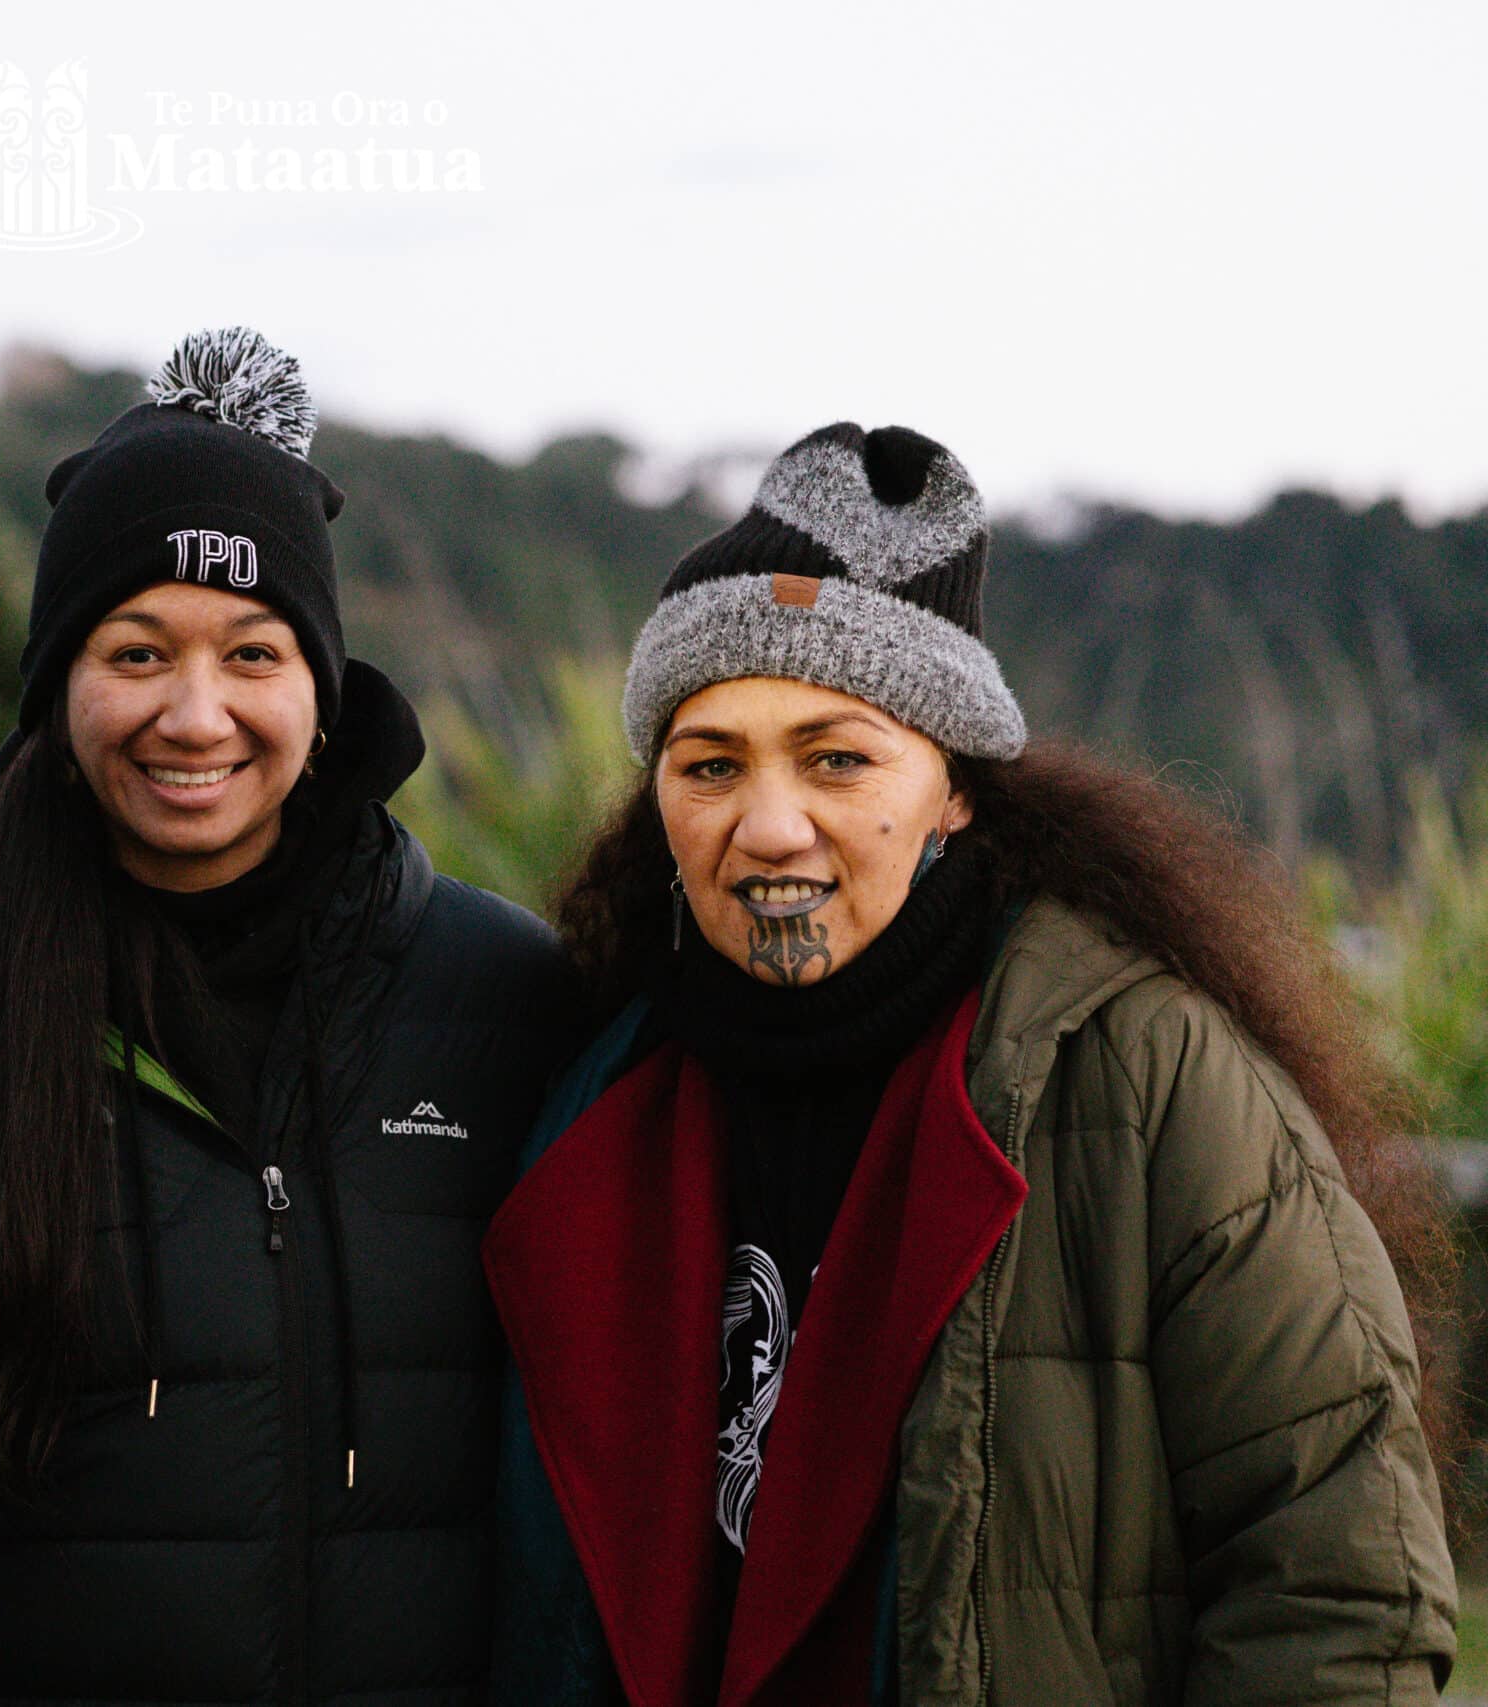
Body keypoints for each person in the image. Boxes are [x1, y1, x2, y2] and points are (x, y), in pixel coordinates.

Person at [484, 422, 1457, 1705]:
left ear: (952, 790)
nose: (770, 826)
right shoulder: (598, 1091)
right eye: (709, 765)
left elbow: (1340, 1593)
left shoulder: (1145, 1083)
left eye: (839, 757)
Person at [0, 328, 580, 1705]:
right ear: (57, 683)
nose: (194, 712)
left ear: (323, 688)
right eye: (136, 649)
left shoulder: (503, 1001)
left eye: (253, 650)